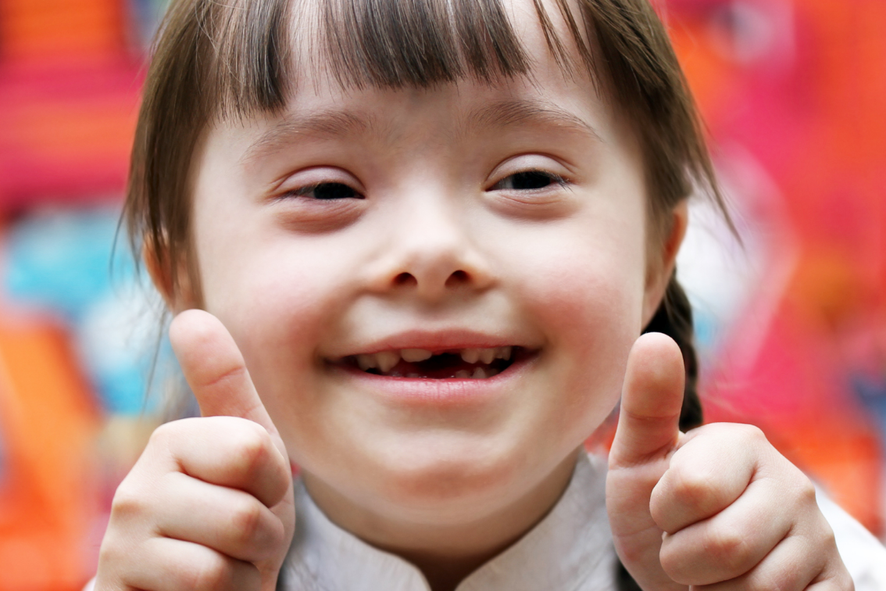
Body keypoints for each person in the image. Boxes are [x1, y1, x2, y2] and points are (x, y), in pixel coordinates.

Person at [94, 0, 886, 589]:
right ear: (184, 280)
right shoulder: (153, 578)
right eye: (327, 188)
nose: (433, 251)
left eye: (528, 178)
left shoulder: (779, 557)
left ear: (657, 258)